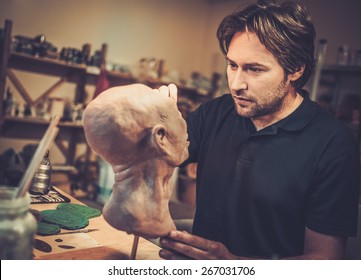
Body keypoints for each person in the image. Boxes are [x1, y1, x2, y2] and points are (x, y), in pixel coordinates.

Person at [158, 0, 360, 259]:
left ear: (296, 69)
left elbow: (324, 261)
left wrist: (234, 266)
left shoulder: (333, 144)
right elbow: (158, 158)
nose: (236, 84)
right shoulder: (216, 112)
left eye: (254, 69)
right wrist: (155, 121)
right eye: (232, 65)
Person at [82, 83, 189, 238]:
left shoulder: (120, 209)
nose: (185, 129)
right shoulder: (142, 216)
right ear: (160, 138)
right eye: (179, 118)